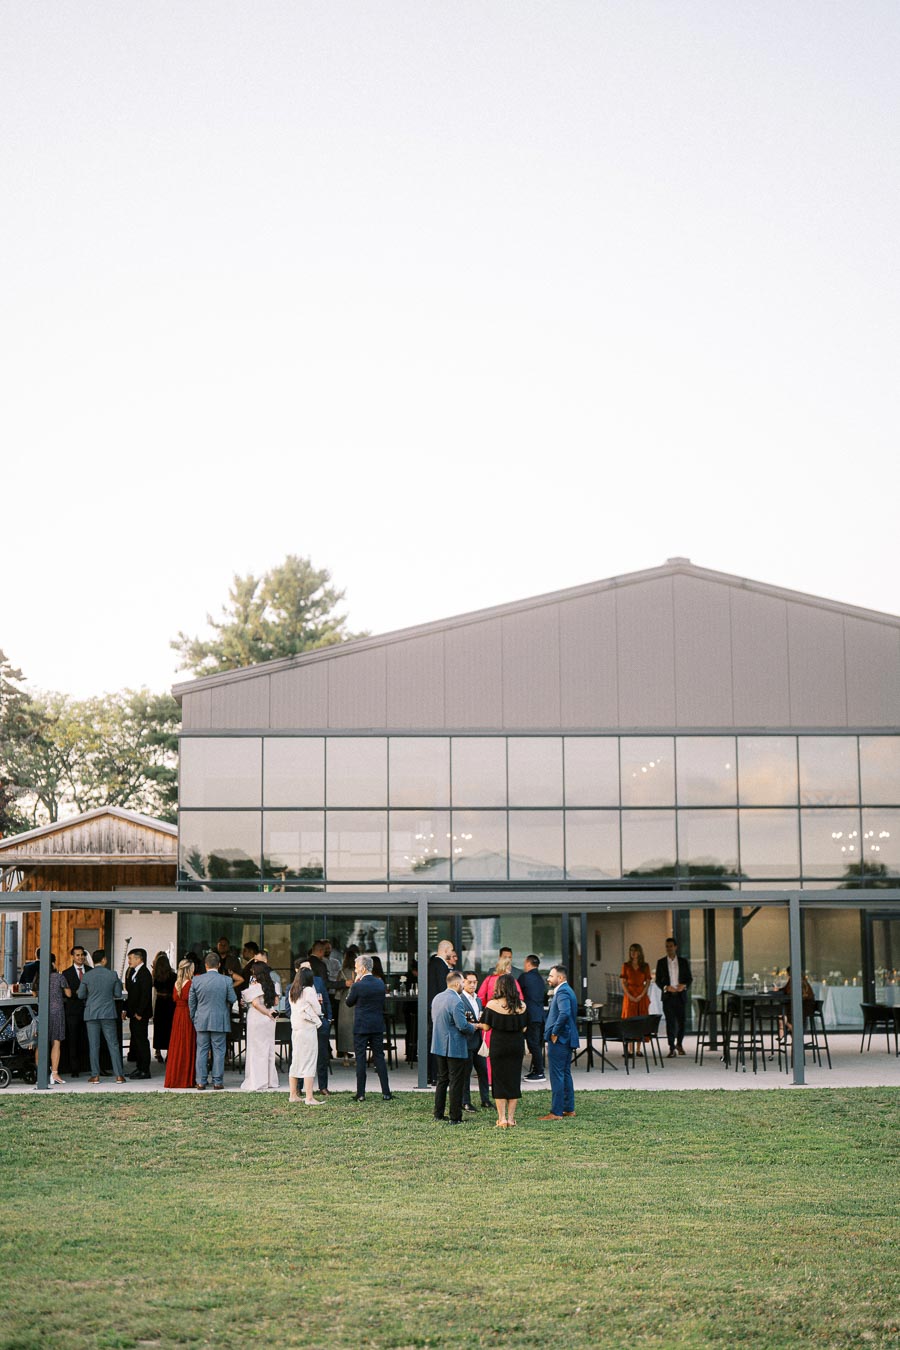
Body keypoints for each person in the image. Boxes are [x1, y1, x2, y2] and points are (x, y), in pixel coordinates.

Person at [431, 970, 479, 1125]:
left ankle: (438, 1113)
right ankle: (455, 1116)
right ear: (458, 984)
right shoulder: (456, 1001)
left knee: (442, 1080)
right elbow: (462, 1026)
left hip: (439, 1044)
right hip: (454, 1047)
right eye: (463, 983)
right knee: (456, 1082)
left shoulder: (437, 998)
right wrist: (475, 1027)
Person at [479, 974, 528, 1128]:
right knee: (513, 1081)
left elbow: (486, 1027)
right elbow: (524, 1027)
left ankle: (502, 1119)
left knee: (498, 1081)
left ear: (499, 987)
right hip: (516, 1046)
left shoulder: (492, 1005)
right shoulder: (522, 1006)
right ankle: (512, 1119)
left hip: (499, 1045)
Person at [345, 953, 393, 1102]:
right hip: (377, 1025)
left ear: (363, 968)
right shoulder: (380, 983)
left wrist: (354, 985)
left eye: (356, 967)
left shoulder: (358, 985)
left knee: (360, 1059)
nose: (355, 969)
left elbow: (349, 1002)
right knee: (379, 1057)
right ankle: (386, 1092)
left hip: (361, 1026)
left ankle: (361, 1093)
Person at [189, 951, 237, 1090]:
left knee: (202, 1050)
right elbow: (232, 999)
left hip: (201, 1019)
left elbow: (192, 1002)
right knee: (219, 1051)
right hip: (219, 1019)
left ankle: (201, 1081)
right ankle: (217, 1081)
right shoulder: (226, 980)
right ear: (219, 965)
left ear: (205, 965)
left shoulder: (196, 980)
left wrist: (194, 1017)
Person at [78, 949, 125, 1083]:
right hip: (108, 1012)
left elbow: (81, 995)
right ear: (104, 960)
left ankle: (95, 1075)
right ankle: (119, 1075)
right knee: (113, 1044)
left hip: (91, 1013)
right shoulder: (112, 975)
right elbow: (118, 994)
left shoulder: (87, 976)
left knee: (94, 1045)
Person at [477, 955, 524, 1084]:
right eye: (509, 966)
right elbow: (520, 999)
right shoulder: (512, 981)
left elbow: (480, 997)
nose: (510, 969)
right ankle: (507, 1078)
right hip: (509, 1020)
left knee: (490, 1051)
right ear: (505, 967)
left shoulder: (489, 979)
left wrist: (488, 1009)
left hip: (491, 1017)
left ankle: (490, 1079)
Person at [541, 964, 579, 1121]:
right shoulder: (567, 990)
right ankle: (568, 1108)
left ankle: (556, 1112)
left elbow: (564, 1013)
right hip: (567, 1038)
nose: (548, 979)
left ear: (561, 978)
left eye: (551, 976)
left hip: (561, 1039)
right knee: (565, 1073)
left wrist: (555, 1032)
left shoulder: (562, 991)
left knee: (557, 1075)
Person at [296, 958, 333, 1096]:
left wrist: (328, 1019)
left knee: (322, 1055)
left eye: (309, 967)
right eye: (305, 968)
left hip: (321, 1024)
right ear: (297, 971)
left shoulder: (318, 981)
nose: (308, 970)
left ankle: (323, 1086)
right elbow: (290, 1009)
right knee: (302, 1056)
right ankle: (299, 1087)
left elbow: (326, 1001)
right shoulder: (294, 985)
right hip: (304, 1025)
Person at [240, 960, 279, 1091]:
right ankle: (269, 1080)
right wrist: (269, 1012)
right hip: (268, 1021)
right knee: (268, 1048)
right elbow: (276, 1002)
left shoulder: (254, 986)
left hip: (257, 1018)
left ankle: (257, 1080)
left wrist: (266, 1012)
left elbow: (256, 1004)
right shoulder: (272, 985)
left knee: (256, 1050)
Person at [288, 966, 324, 1105]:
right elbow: (318, 1009)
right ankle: (309, 1097)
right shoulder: (309, 990)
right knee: (309, 1061)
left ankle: (293, 1095)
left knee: (296, 1061)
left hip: (296, 1029)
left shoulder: (293, 990)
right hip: (307, 1029)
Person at [164, 957, 199, 1089]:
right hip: (187, 1015)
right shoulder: (190, 984)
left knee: (177, 1045)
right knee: (187, 1044)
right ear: (190, 969)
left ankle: (175, 1077)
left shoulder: (176, 983)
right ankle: (186, 1078)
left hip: (177, 1015)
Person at [655, 938, 693, 1057]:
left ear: (675, 947)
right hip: (668, 996)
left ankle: (679, 1044)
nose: (669, 948)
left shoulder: (683, 962)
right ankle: (671, 1048)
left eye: (671, 946)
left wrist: (684, 986)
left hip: (680, 996)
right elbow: (657, 980)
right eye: (667, 946)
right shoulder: (661, 962)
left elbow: (689, 978)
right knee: (670, 1023)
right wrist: (666, 987)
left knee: (682, 1022)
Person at [426, 940, 457, 1084]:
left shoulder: (434, 964)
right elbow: (442, 989)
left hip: (434, 1007)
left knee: (435, 1039)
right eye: (451, 950)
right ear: (446, 950)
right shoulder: (439, 965)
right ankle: (435, 1074)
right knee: (437, 1041)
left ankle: (433, 1074)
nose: (453, 953)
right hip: (438, 1009)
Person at [460, 971, 491, 1111]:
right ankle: (465, 1101)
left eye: (475, 982)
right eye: (470, 982)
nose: (473, 985)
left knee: (483, 1071)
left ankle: (485, 1099)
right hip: (465, 1041)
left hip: (478, 1041)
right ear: (463, 982)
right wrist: (477, 1025)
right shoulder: (460, 999)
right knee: (465, 1074)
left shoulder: (478, 999)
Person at [35, 953, 67, 1085]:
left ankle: (40, 1073)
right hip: (57, 1011)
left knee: (40, 1043)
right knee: (56, 1042)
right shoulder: (59, 977)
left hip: (43, 1011)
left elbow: (34, 994)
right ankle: (54, 1073)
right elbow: (68, 993)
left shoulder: (38, 977)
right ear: (53, 964)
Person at [60, 945, 91, 1077]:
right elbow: (65, 992)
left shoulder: (90, 971)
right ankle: (74, 1068)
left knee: (89, 1039)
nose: (80, 957)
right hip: (73, 1011)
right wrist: (75, 993)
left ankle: (88, 1066)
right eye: (77, 955)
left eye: (82, 955)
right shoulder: (66, 973)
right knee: (73, 1040)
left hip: (89, 1010)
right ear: (72, 957)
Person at [124, 948, 153, 1079]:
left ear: (138, 958)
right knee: (136, 1040)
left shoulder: (145, 973)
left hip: (140, 1014)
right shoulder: (133, 972)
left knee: (142, 1041)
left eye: (130, 958)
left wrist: (140, 1012)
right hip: (133, 1012)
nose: (129, 961)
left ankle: (145, 1069)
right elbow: (131, 993)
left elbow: (145, 995)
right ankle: (139, 1067)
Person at [519, 954, 547, 1081]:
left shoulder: (525, 977)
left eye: (525, 963)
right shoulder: (540, 979)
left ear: (529, 963)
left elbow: (517, 993)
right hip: (540, 1015)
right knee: (536, 1044)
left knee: (533, 1044)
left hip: (530, 1015)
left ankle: (539, 1072)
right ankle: (537, 1070)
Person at [620, 943, 652, 1055]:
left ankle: (638, 1049)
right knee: (629, 1021)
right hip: (629, 995)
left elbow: (648, 982)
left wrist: (641, 995)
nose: (633, 953)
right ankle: (629, 1049)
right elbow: (623, 982)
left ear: (639, 952)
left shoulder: (645, 966)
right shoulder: (626, 965)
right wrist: (629, 995)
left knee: (640, 1020)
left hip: (641, 995)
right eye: (631, 950)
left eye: (635, 950)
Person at [778, 967, 816, 1042]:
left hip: (804, 1006)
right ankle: (794, 1036)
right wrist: (778, 990)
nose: (788, 975)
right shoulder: (792, 980)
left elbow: (794, 994)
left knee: (785, 1012)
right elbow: (785, 990)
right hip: (798, 1005)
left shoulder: (800, 981)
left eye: (789, 973)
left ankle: (790, 1031)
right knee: (783, 1011)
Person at [336, 944, 359, 1063]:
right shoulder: (359, 972)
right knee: (356, 1027)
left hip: (344, 1003)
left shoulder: (342, 972)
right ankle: (356, 1056)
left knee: (344, 1028)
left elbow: (337, 990)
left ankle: (345, 1056)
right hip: (356, 1002)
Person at [152, 951, 176, 1063]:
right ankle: (169, 1052)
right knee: (169, 1028)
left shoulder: (156, 976)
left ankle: (158, 1051)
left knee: (159, 1027)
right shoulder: (173, 976)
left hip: (160, 1003)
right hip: (170, 1003)